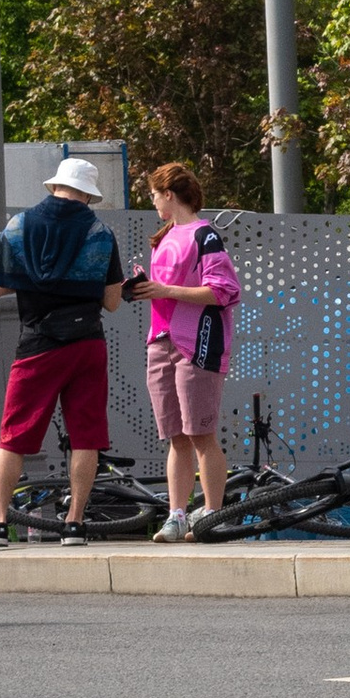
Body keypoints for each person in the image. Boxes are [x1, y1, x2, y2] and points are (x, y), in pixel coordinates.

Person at [0, 156, 126, 547]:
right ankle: (75, 523)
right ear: (87, 194)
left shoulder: (19, 226)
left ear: (56, 185)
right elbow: (111, 302)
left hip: (38, 344)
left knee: (14, 436)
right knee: (86, 437)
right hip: (87, 344)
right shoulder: (99, 232)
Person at [141, 161, 240, 537]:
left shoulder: (205, 235)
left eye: (153, 194)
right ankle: (177, 513)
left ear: (169, 194)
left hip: (197, 342)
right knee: (176, 436)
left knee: (201, 434)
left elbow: (224, 290)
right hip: (160, 341)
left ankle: (213, 512)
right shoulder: (165, 236)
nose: (152, 202)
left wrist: (165, 290)